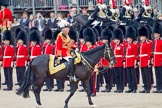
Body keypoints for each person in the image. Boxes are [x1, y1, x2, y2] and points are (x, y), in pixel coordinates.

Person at [83, 27, 96, 96]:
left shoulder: (94, 48)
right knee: (88, 80)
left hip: (93, 66)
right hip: (86, 66)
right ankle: (89, 91)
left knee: (93, 80)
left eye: (88, 41)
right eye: (86, 41)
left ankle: (93, 92)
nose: (87, 42)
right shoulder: (85, 47)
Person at [138, 26, 151, 93]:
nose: (141, 38)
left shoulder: (148, 43)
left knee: (147, 75)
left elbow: (149, 53)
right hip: (141, 60)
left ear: (145, 36)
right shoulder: (140, 44)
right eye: (140, 37)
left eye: (142, 36)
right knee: (143, 75)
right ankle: (145, 86)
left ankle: (148, 88)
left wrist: (149, 61)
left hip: (146, 60)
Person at [124, 26, 138, 93]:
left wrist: (135, 62)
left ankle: (134, 88)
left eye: (129, 38)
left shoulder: (134, 45)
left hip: (132, 61)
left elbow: (135, 54)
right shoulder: (126, 45)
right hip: (127, 61)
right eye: (127, 38)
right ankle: (130, 87)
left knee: (133, 75)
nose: (128, 39)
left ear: (132, 38)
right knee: (129, 76)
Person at [100, 28, 113, 93]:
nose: (104, 40)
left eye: (105, 39)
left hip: (108, 63)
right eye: (103, 39)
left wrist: (111, 63)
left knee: (108, 76)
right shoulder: (102, 46)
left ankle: (109, 87)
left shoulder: (110, 46)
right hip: (103, 63)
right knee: (105, 76)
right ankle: (107, 86)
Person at [112, 28, 124, 93]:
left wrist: (123, 62)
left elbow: (123, 55)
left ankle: (121, 88)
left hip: (120, 63)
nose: (116, 40)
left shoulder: (122, 46)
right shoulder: (114, 46)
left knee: (120, 76)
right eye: (115, 39)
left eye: (117, 39)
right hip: (115, 63)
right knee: (116, 76)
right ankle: (117, 87)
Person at [152, 22, 162, 93]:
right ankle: (158, 88)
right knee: (157, 75)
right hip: (155, 60)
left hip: (160, 59)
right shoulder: (154, 41)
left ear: (159, 34)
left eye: (155, 34)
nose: (154, 35)